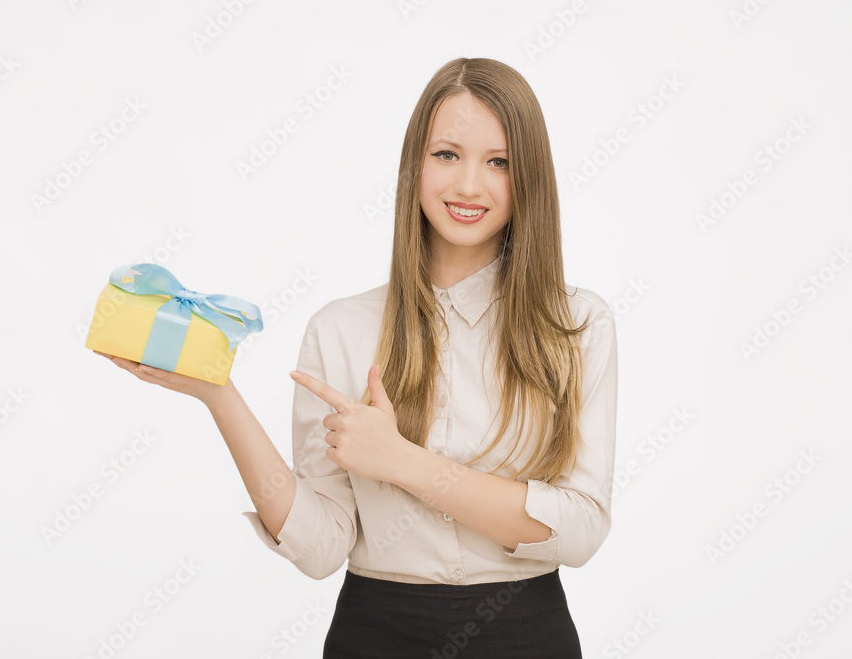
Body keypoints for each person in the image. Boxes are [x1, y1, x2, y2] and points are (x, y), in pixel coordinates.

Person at [97, 56, 617, 658]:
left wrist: (401, 462)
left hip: (526, 632)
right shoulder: (341, 329)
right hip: (375, 633)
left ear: (529, 175)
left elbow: (578, 532)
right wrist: (219, 394)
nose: (469, 185)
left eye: (498, 161)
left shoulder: (576, 324)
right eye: (446, 154)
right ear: (414, 166)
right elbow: (320, 548)